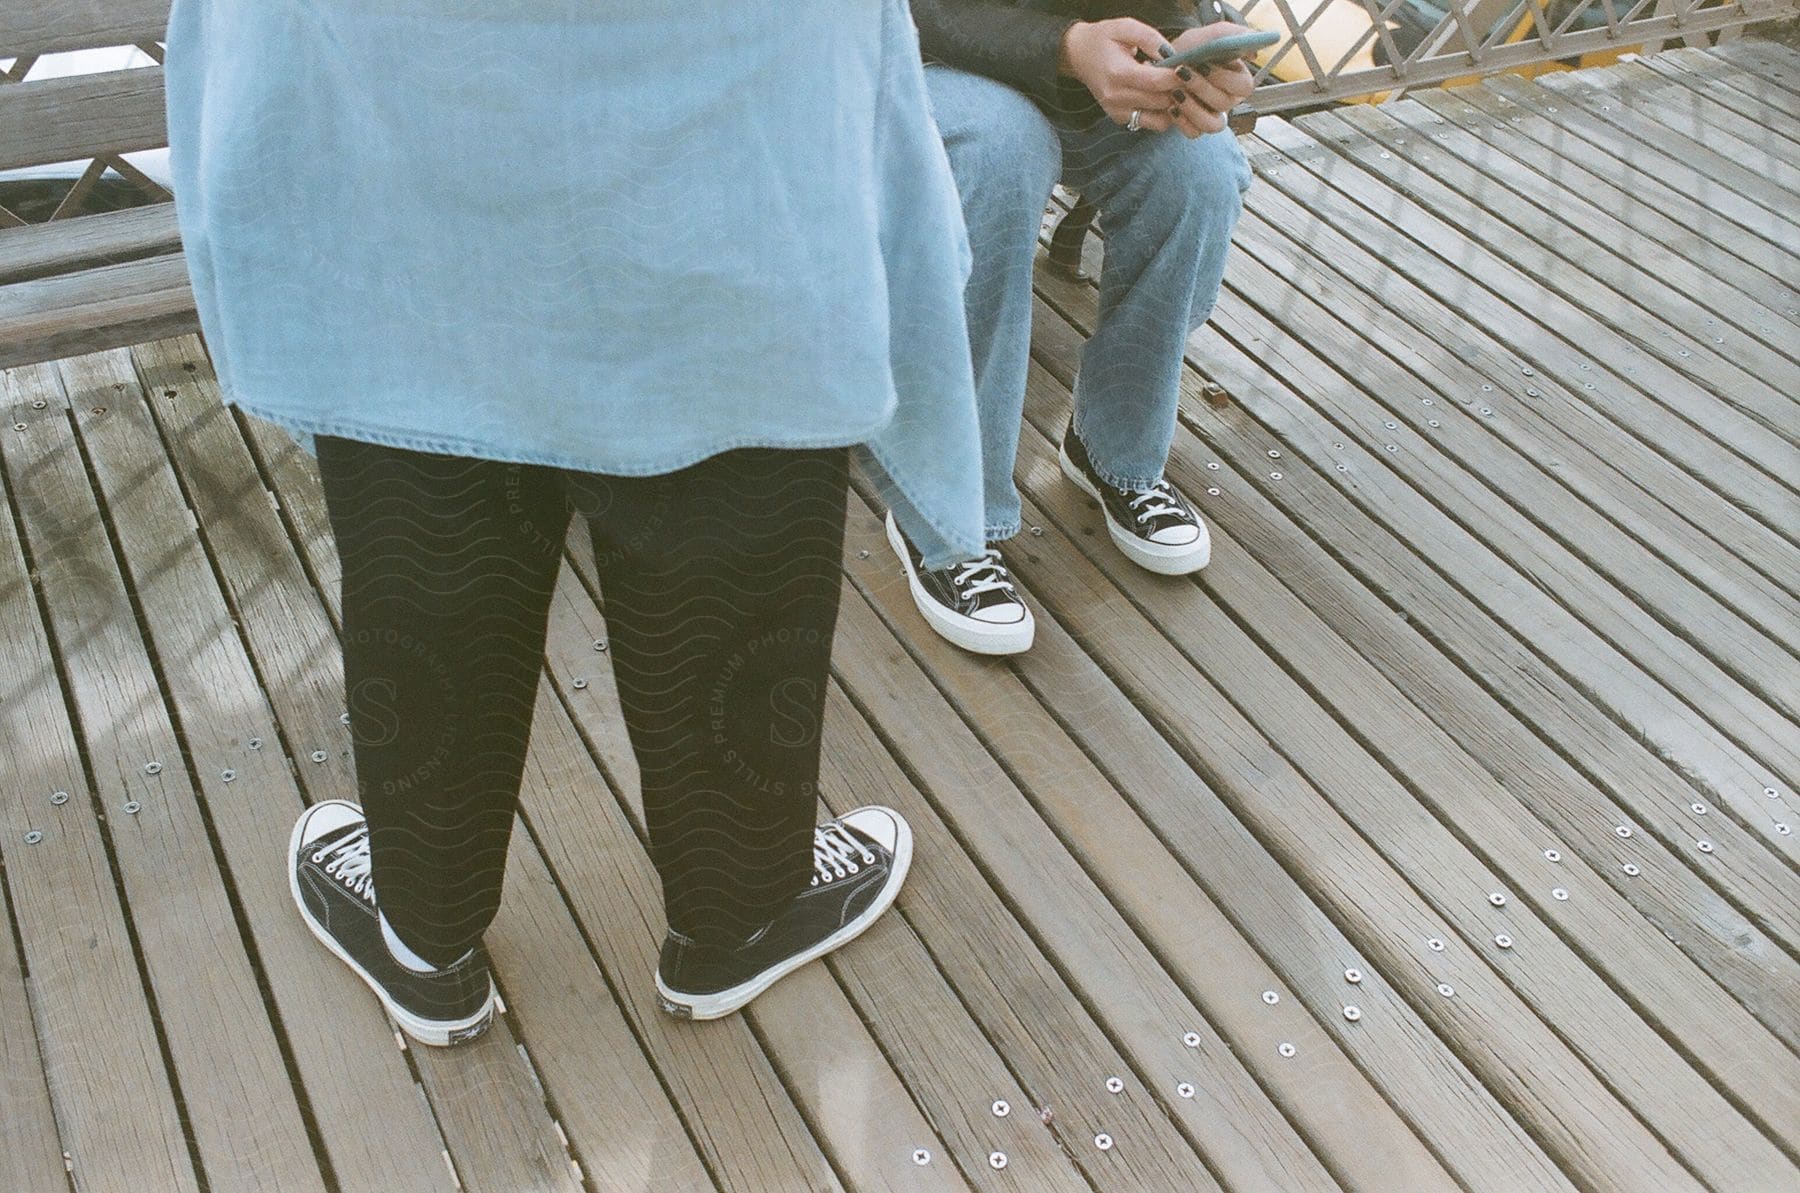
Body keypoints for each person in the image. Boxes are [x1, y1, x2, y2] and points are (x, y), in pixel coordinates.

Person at [163, 0, 987, 1042]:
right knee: (733, 471)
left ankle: (425, 931)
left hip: (400, 117)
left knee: (430, 485)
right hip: (740, 114)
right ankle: (737, 915)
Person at [887, 0, 1259, 655]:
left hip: (1083, 78)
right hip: (924, 55)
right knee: (1002, 150)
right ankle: (944, 506)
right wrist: (1066, 45)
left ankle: (1113, 448)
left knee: (1198, 174)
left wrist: (1187, 49)